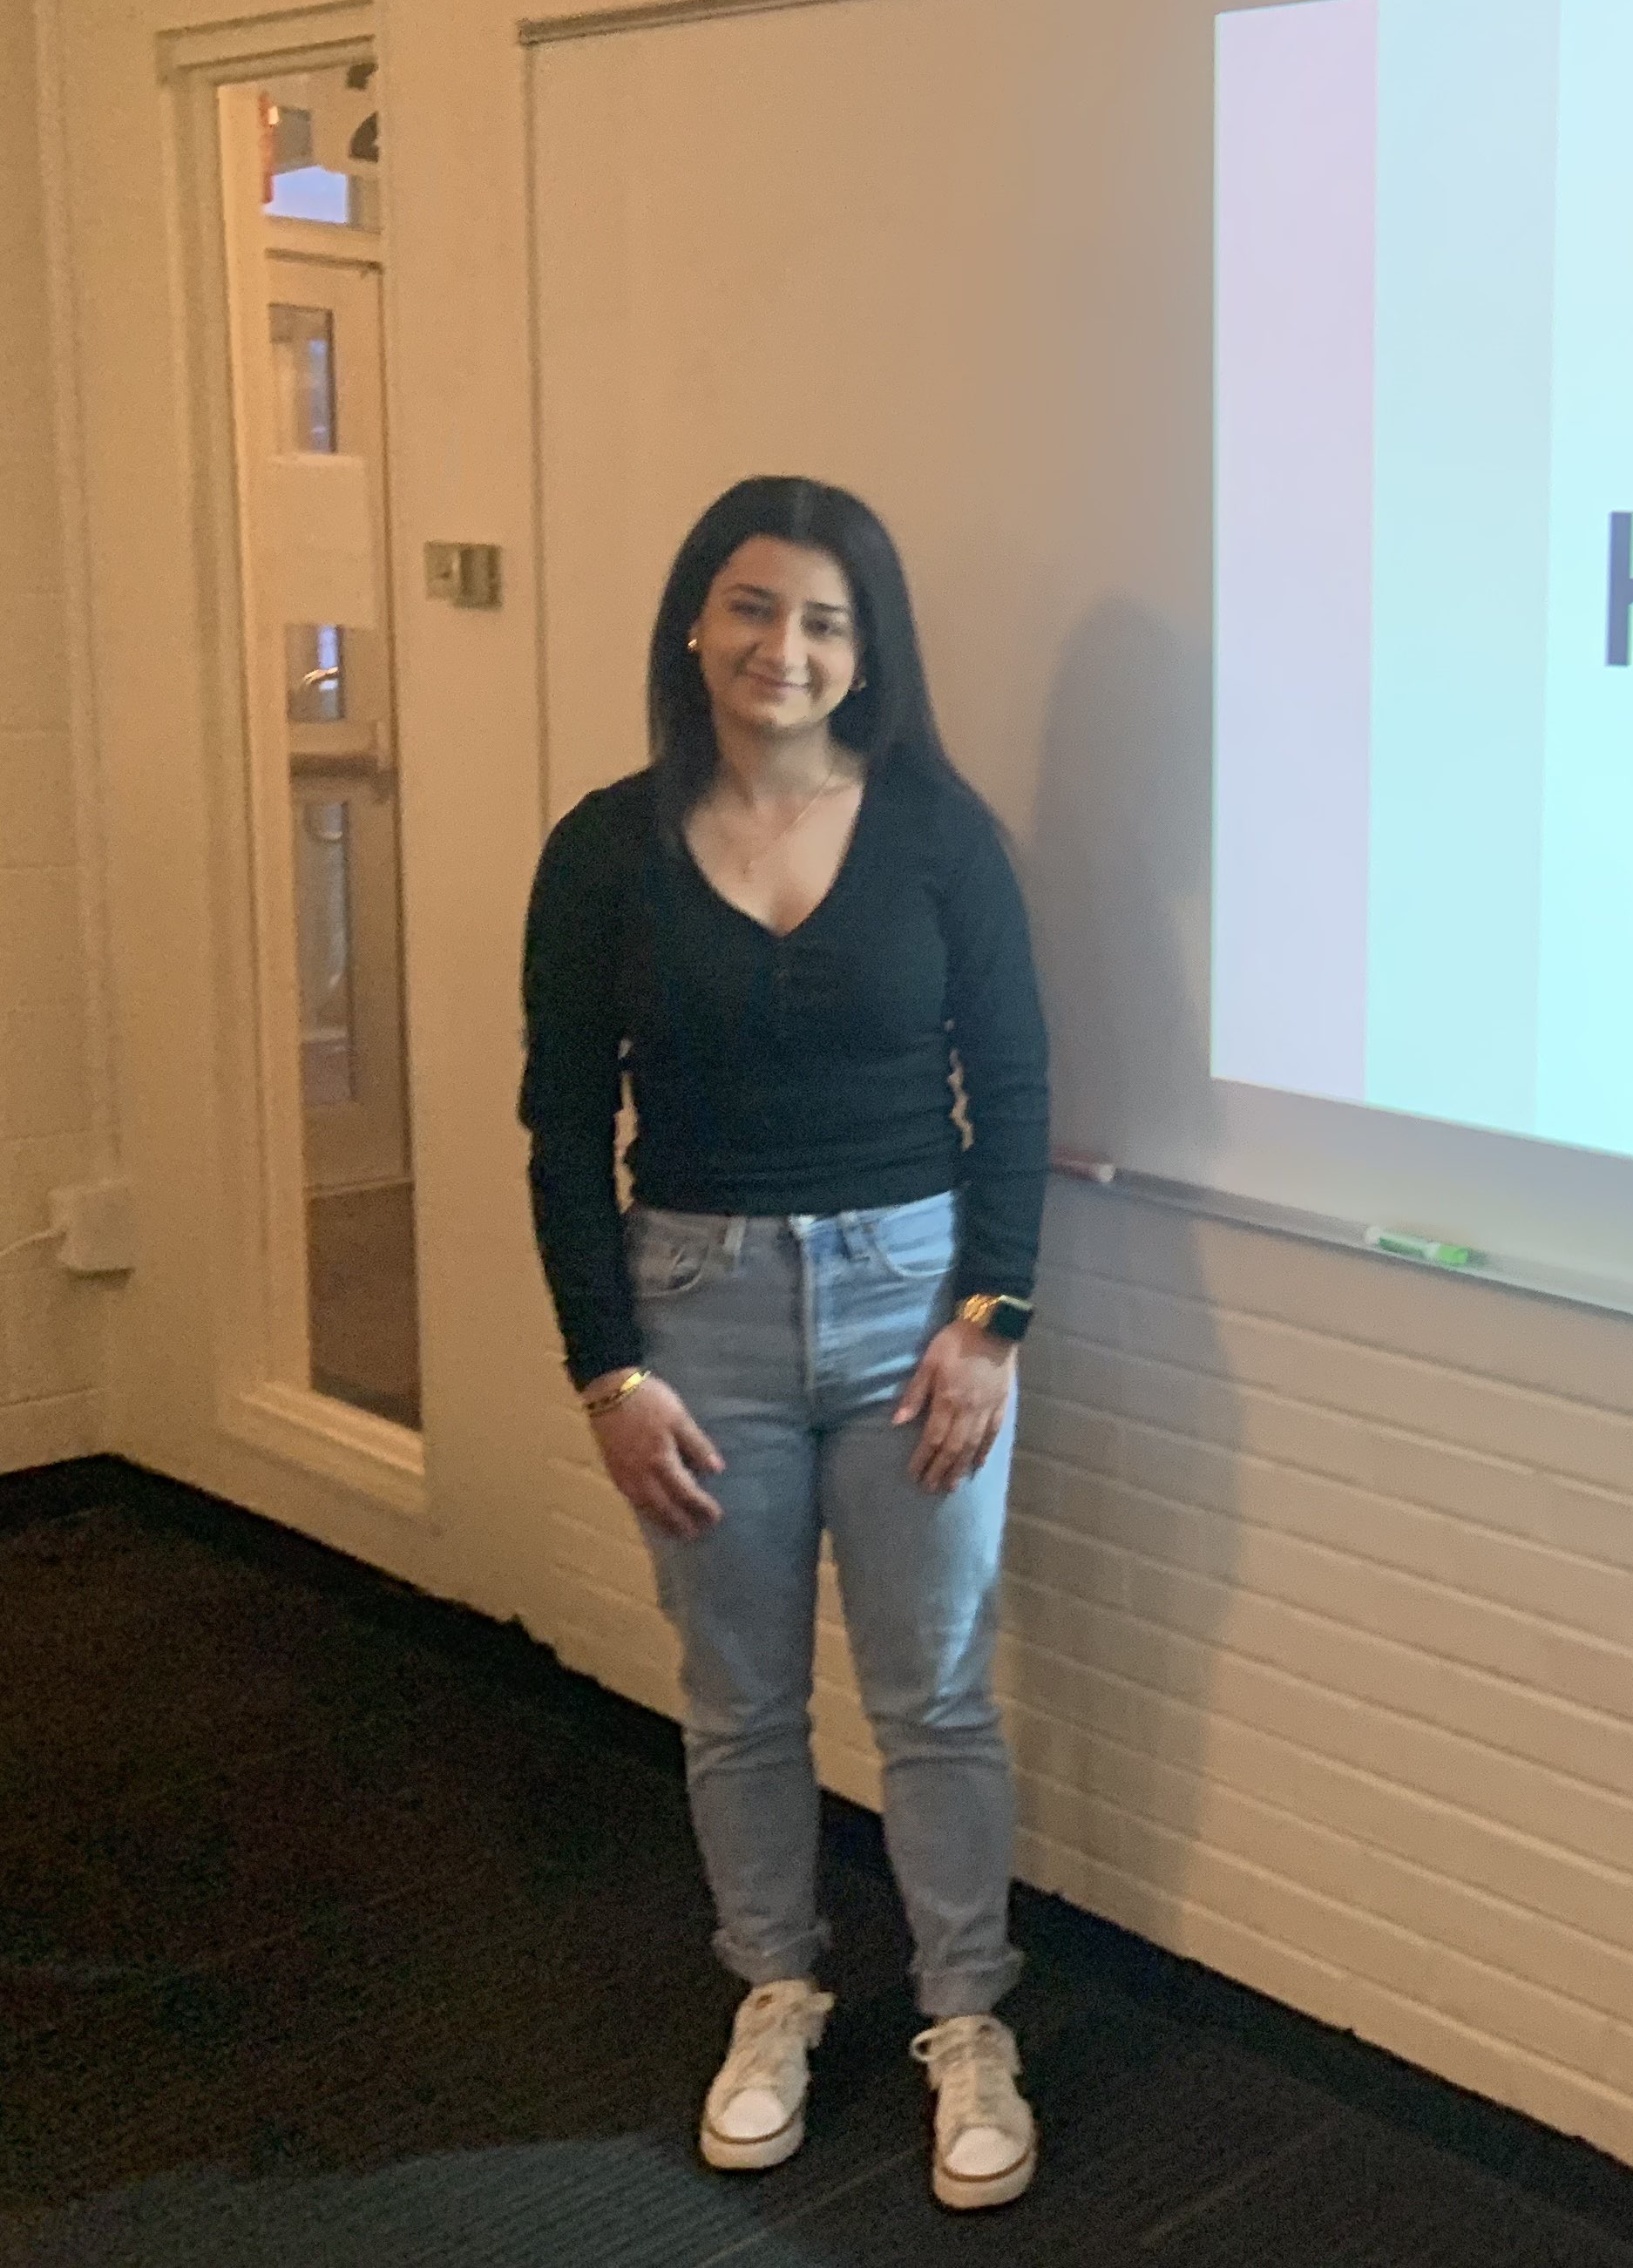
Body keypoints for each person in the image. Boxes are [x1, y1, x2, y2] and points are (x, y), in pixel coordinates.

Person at [518, 474, 1049, 2210]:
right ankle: (777, 1994)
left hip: (916, 1311)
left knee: (935, 1695)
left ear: (867, 650)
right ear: (696, 622)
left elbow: (1016, 1091)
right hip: (697, 1317)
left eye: (826, 618)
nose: (787, 647)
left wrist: (991, 1322)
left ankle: (967, 2018)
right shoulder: (604, 849)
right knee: (741, 1700)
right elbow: (562, 1132)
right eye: (753, 606)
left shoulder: (942, 836)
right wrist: (608, 1372)